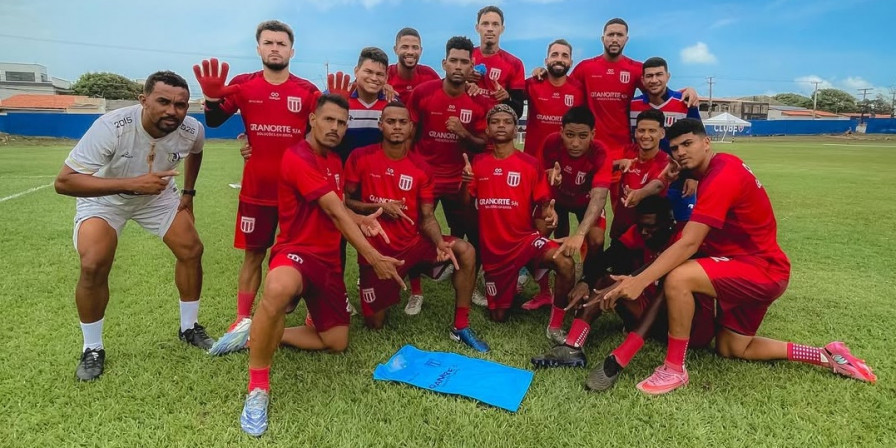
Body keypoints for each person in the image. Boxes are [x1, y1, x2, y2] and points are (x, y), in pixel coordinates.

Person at [600, 118, 876, 395]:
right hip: (751, 266)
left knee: (679, 277)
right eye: (675, 148)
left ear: (706, 142)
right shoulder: (719, 166)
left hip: (761, 269)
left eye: (687, 144)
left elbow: (690, 243)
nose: (681, 152)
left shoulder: (721, 176)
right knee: (732, 347)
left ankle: (674, 369)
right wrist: (669, 177)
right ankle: (827, 355)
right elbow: (671, 186)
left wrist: (640, 281)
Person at [239, 94, 404, 437]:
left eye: (342, 123)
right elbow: (333, 211)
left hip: (328, 262)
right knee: (279, 287)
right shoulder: (298, 157)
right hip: (297, 252)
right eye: (329, 119)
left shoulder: (334, 161)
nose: (335, 128)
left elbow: (338, 206)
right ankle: (257, 388)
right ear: (312, 119)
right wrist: (374, 257)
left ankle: (262, 334)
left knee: (336, 341)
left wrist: (360, 219)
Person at [54, 71, 213, 381]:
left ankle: (189, 327)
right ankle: (92, 348)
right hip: (105, 198)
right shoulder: (112, 127)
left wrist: (189, 193)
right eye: (163, 101)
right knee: (93, 264)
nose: (172, 111)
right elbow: (64, 182)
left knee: (191, 250)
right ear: (144, 100)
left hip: (157, 197)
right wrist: (132, 184)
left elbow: (196, 152)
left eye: (180, 104)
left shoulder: (192, 129)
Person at [193, 20, 321, 352]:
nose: (275, 48)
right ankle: (242, 319)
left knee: (306, 253)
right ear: (259, 48)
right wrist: (211, 99)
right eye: (269, 42)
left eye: (281, 43)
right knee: (253, 254)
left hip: (297, 192)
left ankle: (314, 314)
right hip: (257, 189)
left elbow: (323, 134)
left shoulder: (307, 91)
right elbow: (215, 120)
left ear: (292, 51)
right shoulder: (243, 85)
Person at [344, 102, 489, 351]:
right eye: (391, 121)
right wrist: (377, 207)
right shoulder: (360, 157)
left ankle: (461, 326)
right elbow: (345, 201)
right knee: (375, 323)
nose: (397, 127)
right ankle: (401, 281)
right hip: (378, 254)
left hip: (414, 245)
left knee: (465, 250)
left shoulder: (421, 167)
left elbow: (427, 216)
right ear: (381, 125)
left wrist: (439, 242)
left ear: (411, 127)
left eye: (403, 122)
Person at [463, 104, 575, 344]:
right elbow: (466, 203)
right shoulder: (478, 162)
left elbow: (543, 203)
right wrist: (465, 182)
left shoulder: (530, 164)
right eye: (495, 122)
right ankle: (509, 283)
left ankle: (555, 325)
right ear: (487, 129)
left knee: (565, 262)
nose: (501, 125)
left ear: (516, 129)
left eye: (507, 121)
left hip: (525, 241)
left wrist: (550, 213)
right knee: (498, 317)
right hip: (495, 253)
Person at [531, 196, 680, 369]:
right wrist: (585, 282)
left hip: (670, 319)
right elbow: (608, 257)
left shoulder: (681, 240)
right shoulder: (638, 232)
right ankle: (572, 346)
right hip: (644, 307)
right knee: (604, 281)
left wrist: (627, 282)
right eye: (641, 226)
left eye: (651, 227)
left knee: (662, 285)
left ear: (668, 223)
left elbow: (662, 264)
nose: (644, 232)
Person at [406, 36, 490, 306]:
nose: (458, 66)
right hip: (425, 177)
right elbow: (410, 134)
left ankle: (468, 283)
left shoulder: (479, 101)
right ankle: (416, 291)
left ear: (471, 66)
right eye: (453, 60)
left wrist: (463, 133)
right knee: (415, 232)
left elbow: (483, 143)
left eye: (464, 62)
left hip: (459, 179)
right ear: (444, 63)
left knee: (471, 232)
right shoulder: (423, 93)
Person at [525, 106, 611, 311]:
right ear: (561, 131)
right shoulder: (551, 142)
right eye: (570, 135)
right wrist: (548, 193)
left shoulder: (600, 152)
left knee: (596, 239)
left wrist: (580, 234)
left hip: (586, 201)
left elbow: (599, 197)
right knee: (536, 236)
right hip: (557, 200)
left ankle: (586, 285)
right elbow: (540, 177)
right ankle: (544, 292)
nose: (575, 143)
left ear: (593, 134)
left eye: (583, 136)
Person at [629, 57, 701, 222]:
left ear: (668, 76)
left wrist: (693, 176)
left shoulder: (684, 102)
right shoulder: (633, 105)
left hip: (680, 181)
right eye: (649, 76)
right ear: (643, 80)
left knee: (683, 227)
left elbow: (697, 141)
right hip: (646, 182)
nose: (654, 80)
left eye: (659, 74)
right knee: (648, 229)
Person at [610, 109, 670, 240]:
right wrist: (618, 163)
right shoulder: (627, 151)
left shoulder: (665, 161)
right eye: (642, 130)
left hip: (647, 234)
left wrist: (640, 194)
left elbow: (658, 184)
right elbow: (600, 165)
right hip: (621, 229)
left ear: (662, 133)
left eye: (652, 131)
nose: (646, 135)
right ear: (636, 132)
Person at [332, 47, 390, 163]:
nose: (374, 78)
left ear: (386, 77)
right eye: (368, 72)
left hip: (378, 172)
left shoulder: (392, 104)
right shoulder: (336, 97)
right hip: (340, 169)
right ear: (356, 71)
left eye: (379, 74)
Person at [469, 5, 526, 116]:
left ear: (502, 29)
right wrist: (464, 79)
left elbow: (518, 111)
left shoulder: (515, 64)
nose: (490, 29)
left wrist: (506, 98)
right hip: (467, 123)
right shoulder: (465, 57)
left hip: (496, 124)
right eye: (485, 24)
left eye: (495, 24)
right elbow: (448, 90)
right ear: (477, 28)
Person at [387, 27, 441, 100]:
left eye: (415, 47)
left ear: (421, 51)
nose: (410, 52)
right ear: (396, 50)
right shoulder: (385, 75)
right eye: (405, 47)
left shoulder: (430, 75)